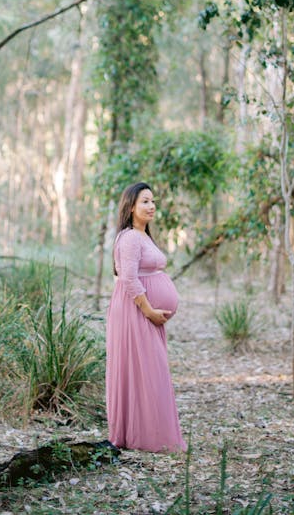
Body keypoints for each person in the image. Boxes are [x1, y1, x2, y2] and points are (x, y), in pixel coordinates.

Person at [105, 181, 186, 453]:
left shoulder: (142, 235)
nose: (151, 206)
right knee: (143, 371)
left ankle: (148, 432)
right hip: (136, 311)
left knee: (149, 372)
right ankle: (144, 436)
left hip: (142, 313)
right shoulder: (129, 237)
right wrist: (149, 309)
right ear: (130, 207)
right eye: (145, 201)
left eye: (153, 201)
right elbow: (128, 278)